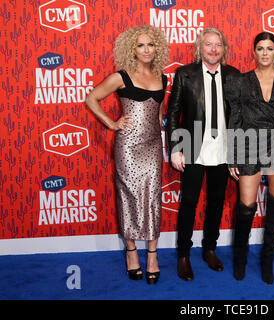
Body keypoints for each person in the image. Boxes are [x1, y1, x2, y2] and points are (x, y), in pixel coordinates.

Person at [85, 25, 169, 285]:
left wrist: (163, 141)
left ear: (157, 48)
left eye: (150, 45)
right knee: (128, 196)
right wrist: (112, 124)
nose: (146, 50)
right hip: (128, 146)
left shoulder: (163, 78)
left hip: (153, 146)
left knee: (154, 198)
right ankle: (131, 251)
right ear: (132, 49)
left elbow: (157, 113)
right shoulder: (121, 76)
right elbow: (91, 98)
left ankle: (152, 255)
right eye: (140, 45)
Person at [225, 32, 274, 285]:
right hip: (248, 144)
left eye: (270, 48)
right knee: (246, 206)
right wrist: (233, 156)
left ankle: (267, 261)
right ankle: (240, 260)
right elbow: (234, 120)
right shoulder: (240, 81)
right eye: (260, 48)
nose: (265, 53)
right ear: (254, 52)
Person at [166, 27, 240, 281]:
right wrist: (176, 148)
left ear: (224, 49)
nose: (213, 49)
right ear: (200, 48)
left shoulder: (233, 75)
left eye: (218, 45)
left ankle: (209, 248)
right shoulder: (185, 74)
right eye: (208, 44)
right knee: (188, 202)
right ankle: (183, 255)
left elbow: (239, 116)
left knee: (217, 202)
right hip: (193, 148)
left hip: (223, 150)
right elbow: (174, 113)